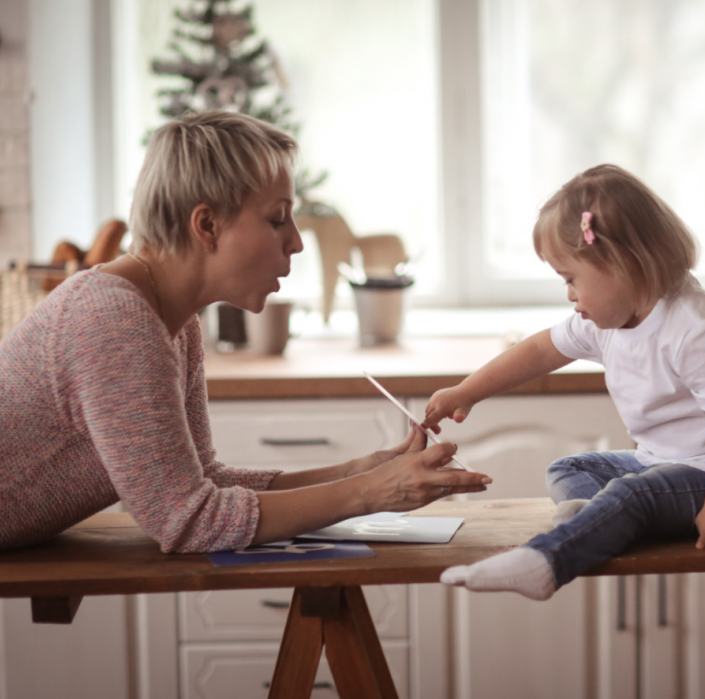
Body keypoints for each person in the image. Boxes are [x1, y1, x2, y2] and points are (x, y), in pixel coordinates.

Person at [0, 110, 490, 554]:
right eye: (277, 219)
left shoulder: (172, 320)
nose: (297, 242)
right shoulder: (115, 321)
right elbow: (187, 520)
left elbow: (200, 481)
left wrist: (358, 472)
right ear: (207, 224)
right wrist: (370, 493)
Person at [423, 164, 705, 601]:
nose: (569, 294)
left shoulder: (699, 328)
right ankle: (596, 519)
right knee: (569, 469)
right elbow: (541, 350)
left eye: (571, 278)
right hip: (660, 465)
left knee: (633, 495)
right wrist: (468, 391)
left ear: (621, 264)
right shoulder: (607, 322)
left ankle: (547, 560)